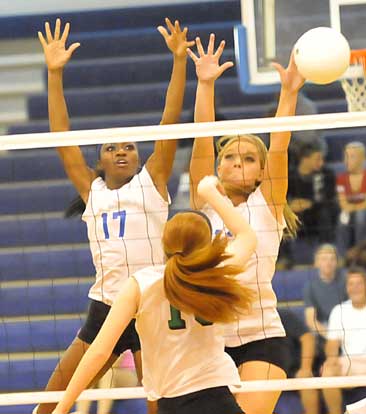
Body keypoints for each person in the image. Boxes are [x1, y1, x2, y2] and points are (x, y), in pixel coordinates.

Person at [35, 17, 194, 414]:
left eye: (128, 146)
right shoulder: (93, 190)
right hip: (107, 305)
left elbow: (169, 123)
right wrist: (54, 74)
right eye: (111, 148)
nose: (122, 151)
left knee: (161, 400)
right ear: (99, 160)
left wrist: (179, 62)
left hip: (152, 305)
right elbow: (60, 135)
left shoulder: (153, 181)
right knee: (58, 392)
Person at [50, 175, 258, 414]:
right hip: (219, 400)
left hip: (172, 405)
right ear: (207, 246)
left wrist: (61, 409)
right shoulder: (216, 273)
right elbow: (247, 236)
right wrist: (210, 192)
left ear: (164, 243)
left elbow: (98, 351)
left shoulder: (141, 283)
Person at [187, 34, 305, 414]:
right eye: (230, 156)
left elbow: (280, 146)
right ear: (218, 167)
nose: (239, 162)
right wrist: (205, 84)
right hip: (208, 340)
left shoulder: (266, 205)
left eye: (250, 158)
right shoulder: (204, 202)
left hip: (263, 338)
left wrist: (288, 95)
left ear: (260, 173)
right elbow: (201, 140)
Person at [322, 267, 366, 414]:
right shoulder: (339, 310)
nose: (355, 288)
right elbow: (332, 343)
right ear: (346, 288)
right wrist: (331, 358)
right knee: (328, 370)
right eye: (351, 284)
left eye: (359, 283)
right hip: (348, 363)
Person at [288, 141, 338, 243]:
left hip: (318, 213)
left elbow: (329, 199)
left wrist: (309, 204)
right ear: (305, 159)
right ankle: (285, 256)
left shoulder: (326, 174)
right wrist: (289, 206)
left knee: (324, 213)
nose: (322, 162)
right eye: (318, 159)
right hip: (296, 214)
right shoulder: (289, 176)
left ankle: (326, 248)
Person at [336, 141, 366, 256]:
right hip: (350, 213)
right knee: (342, 220)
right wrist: (358, 206)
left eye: (351, 156)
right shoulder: (341, 179)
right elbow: (343, 205)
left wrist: (353, 207)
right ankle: (342, 256)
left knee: (361, 215)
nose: (346, 161)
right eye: (345, 156)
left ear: (362, 158)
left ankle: (360, 252)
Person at [278, 308, 319, 414]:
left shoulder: (283, 315)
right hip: (268, 371)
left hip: (293, 369)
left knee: (306, 382)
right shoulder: (244, 321)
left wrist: (305, 368)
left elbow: (308, 338)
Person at [304, 244, 347, 341]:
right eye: (324, 259)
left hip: (346, 326)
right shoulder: (310, 287)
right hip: (324, 328)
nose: (328, 262)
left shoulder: (346, 282)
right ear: (316, 263)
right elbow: (311, 321)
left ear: (337, 262)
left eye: (332, 259)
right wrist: (331, 336)